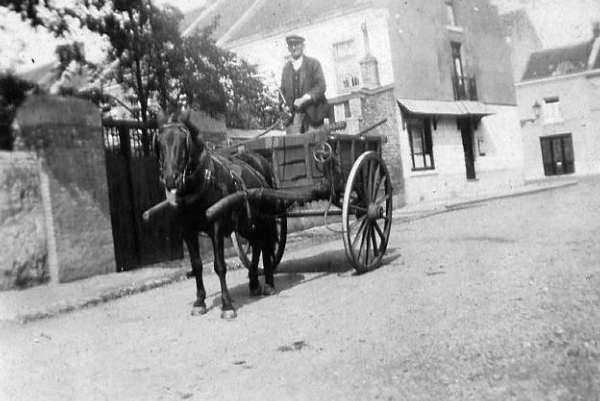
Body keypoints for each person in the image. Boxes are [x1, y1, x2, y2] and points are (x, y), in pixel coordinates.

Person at [280, 34, 329, 134]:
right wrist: (283, 106)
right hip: (294, 120)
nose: (294, 48)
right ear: (288, 48)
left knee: (316, 147)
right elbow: (282, 93)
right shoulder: (286, 69)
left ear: (303, 46)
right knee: (294, 147)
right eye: (291, 45)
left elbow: (321, 86)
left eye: (296, 44)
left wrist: (305, 98)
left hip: (314, 118)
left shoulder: (313, 64)